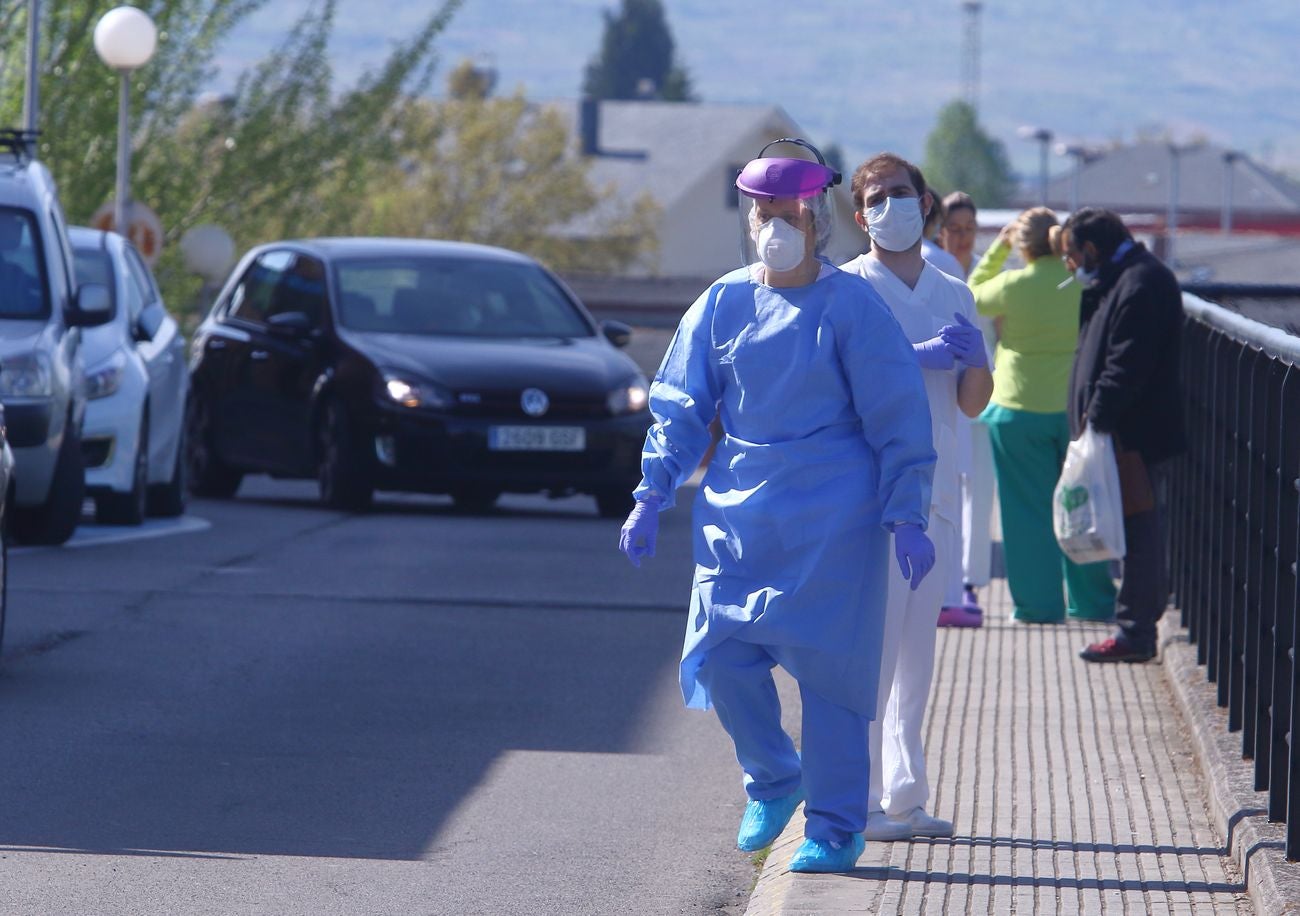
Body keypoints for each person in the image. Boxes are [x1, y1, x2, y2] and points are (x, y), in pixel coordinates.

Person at [618, 141, 938, 874]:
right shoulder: (724, 302)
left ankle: (832, 827)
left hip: (835, 516)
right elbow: (680, 406)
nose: (775, 225)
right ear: (749, 215)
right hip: (740, 511)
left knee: (830, 679)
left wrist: (907, 511)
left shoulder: (851, 306)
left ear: (817, 216)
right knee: (722, 653)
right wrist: (650, 492)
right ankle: (772, 774)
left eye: (789, 211)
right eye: (764, 211)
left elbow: (896, 415)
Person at [840, 153, 993, 840]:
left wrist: (975, 362)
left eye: (901, 194)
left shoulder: (952, 288)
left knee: (916, 655)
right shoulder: (845, 289)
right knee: (870, 652)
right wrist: (915, 354)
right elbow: (842, 388)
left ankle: (906, 796)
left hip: (935, 491)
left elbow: (970, 400)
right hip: (869, 495)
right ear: (858, 214)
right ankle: (863, 800)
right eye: (877, 197)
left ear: (924, 202)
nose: (891, 207)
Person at [969, 208, 1117, 623]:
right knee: (1082, 505)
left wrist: (997, 250)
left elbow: (971, 292)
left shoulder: (1014, 284)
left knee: (1026, 515)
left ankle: (1039, 606)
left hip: (1018, 409)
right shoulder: (1079, 282)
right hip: (1074, 409)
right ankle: (1093, 603)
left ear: (1021, 245)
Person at [1060, 207, 1186, 663]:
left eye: (1070, 256)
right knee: (1134, 530)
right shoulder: (1122, 278)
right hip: (1121, 433)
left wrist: (1098, 420)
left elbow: (1125, 364)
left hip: (1134, 436)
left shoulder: (1141, 282)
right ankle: (1135, 623)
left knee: (1139, 530)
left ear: (1091, 249)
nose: (1069, 267)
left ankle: (1136, 633)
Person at [935, 191, 997, 627]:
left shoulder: (992, 274)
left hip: (986, 393)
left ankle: (970, 581)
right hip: (945, 393)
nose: (962, 238)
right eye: (954, 230)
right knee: (947, 489)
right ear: (940, 231)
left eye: (969, 230)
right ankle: (946, 584)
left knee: (980, 490)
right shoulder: (933, 272)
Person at [920, 195, 964, 280]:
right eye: (954, 228)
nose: (963, 235)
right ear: (937, 219)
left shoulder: (892, 257)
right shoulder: (948, 263)